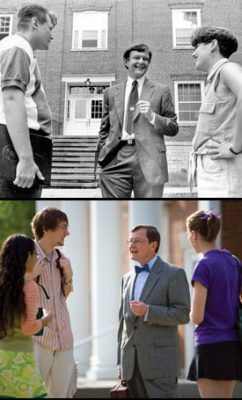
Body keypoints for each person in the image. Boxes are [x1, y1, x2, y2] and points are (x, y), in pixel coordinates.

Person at [96, 43, 179, 198]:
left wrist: (152, 117)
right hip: (116, 158)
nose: (141, 61)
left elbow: (173, 127)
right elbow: (105, 128)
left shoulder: (161, 91)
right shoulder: (111, 93)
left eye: (145, 59)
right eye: (136, 58)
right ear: (126, 62)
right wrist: (103, 153)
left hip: (150, 160)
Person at [117, 225, 190, 398]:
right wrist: (120, 363)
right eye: (130, 241)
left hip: (160, 365)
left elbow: (183, 314)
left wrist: (149, 311)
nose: (131, 246)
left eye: (138, 241)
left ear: (153, 245)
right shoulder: (126, 278)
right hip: (130, 367)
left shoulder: (173, 273)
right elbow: (123, 324)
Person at [0, 4, 57, 198]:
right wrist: (25, 159)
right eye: (50, 28)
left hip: (19, 144)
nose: (52, 35)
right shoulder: (17, 47)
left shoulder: (17, 48)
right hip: (13, 148)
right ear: (35, 23)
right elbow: (11, 98)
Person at [186, 210, 242, 398]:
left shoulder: (203, 265)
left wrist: (188, 312)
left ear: (194, 234)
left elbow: (197, 317)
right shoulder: (233, 261)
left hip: (209, 345)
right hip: (232, 344)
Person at [188, 26, 242, 197]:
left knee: (223, 218)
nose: (193, 53)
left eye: (197, 47)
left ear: (213, 45)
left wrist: (236, 147)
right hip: (212, 166)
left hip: (223, 166)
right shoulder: (212, 80)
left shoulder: (227, 69)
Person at [31, 207, 77, 398]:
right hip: (37, 336)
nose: (68, 233)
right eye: (63, 227)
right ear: (46, 229)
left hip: (64, 335)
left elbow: (62, 297)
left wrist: (69, 276)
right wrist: (31, 275)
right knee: (32, 393)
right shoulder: (25, 255)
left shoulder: (61, 259)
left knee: (62, 394)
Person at [0, 234, 53, 398]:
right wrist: (46, 318)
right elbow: (28, 327)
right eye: (35, 255)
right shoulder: (29, 287)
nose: (37, 259)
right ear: (27, 256)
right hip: (19, 359)